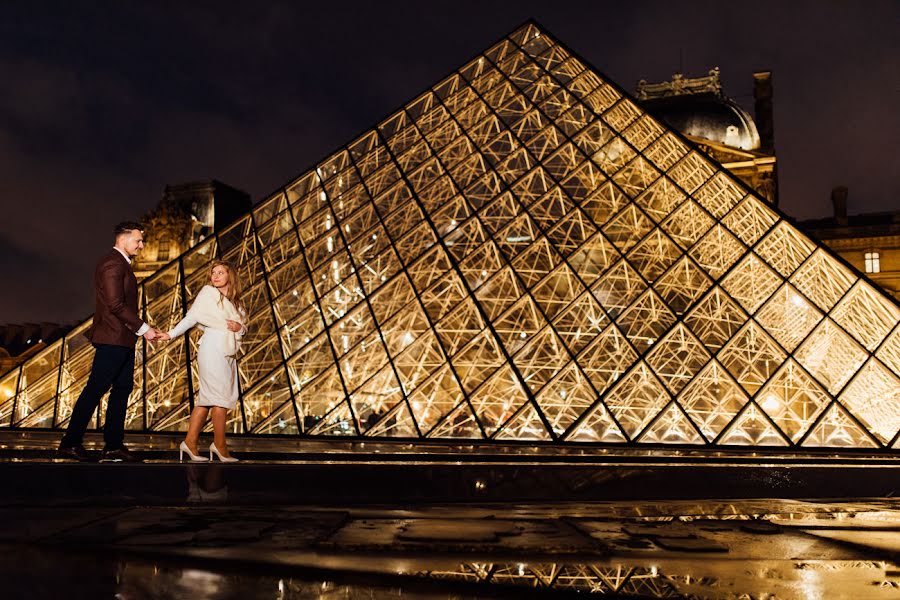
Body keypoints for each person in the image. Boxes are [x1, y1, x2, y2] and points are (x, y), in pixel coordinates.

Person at [58, 221, 163, 462]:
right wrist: (144, 329)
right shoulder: (112, 264)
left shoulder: (120, 264)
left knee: (122, 389)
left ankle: (113, 445)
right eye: (138, 240)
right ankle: (70, 443)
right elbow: (115, 305)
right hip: (113, 338)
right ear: (123, 239)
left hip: (122, 338)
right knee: (95, 389)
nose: (142, 245)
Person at [159, 260, 246, 462]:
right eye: (213, 273)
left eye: (220, 272)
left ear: (229, 276)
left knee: (206, 399)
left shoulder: (237, 302)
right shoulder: (207, 294)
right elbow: (191, 318)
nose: (215, 276)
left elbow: (244, 327)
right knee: (219, 398)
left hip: (229, 352)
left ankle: (190, 442)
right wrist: (170, 335)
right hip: (212, 348)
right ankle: (220, 445)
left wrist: (239, 328)